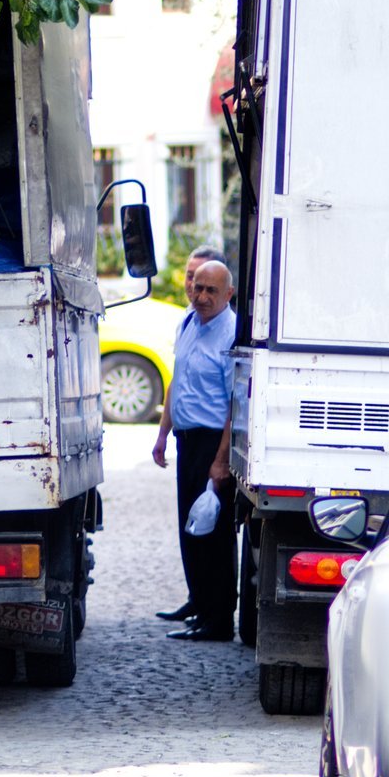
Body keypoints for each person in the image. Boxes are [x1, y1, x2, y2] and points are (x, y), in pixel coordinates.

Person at [151, 260, 238, 642]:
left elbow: (236, 405)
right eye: (197, 287)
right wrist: (162, 434)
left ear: (228, 294)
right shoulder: (188, 323)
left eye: (210, 291)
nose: (201, 296)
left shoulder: (230, 333)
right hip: (187, 439)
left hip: (211, 442)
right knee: (190, 526)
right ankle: (201, 605)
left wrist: (221, 460)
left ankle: (219, 619)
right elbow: (177, 379)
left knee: (214, 533)